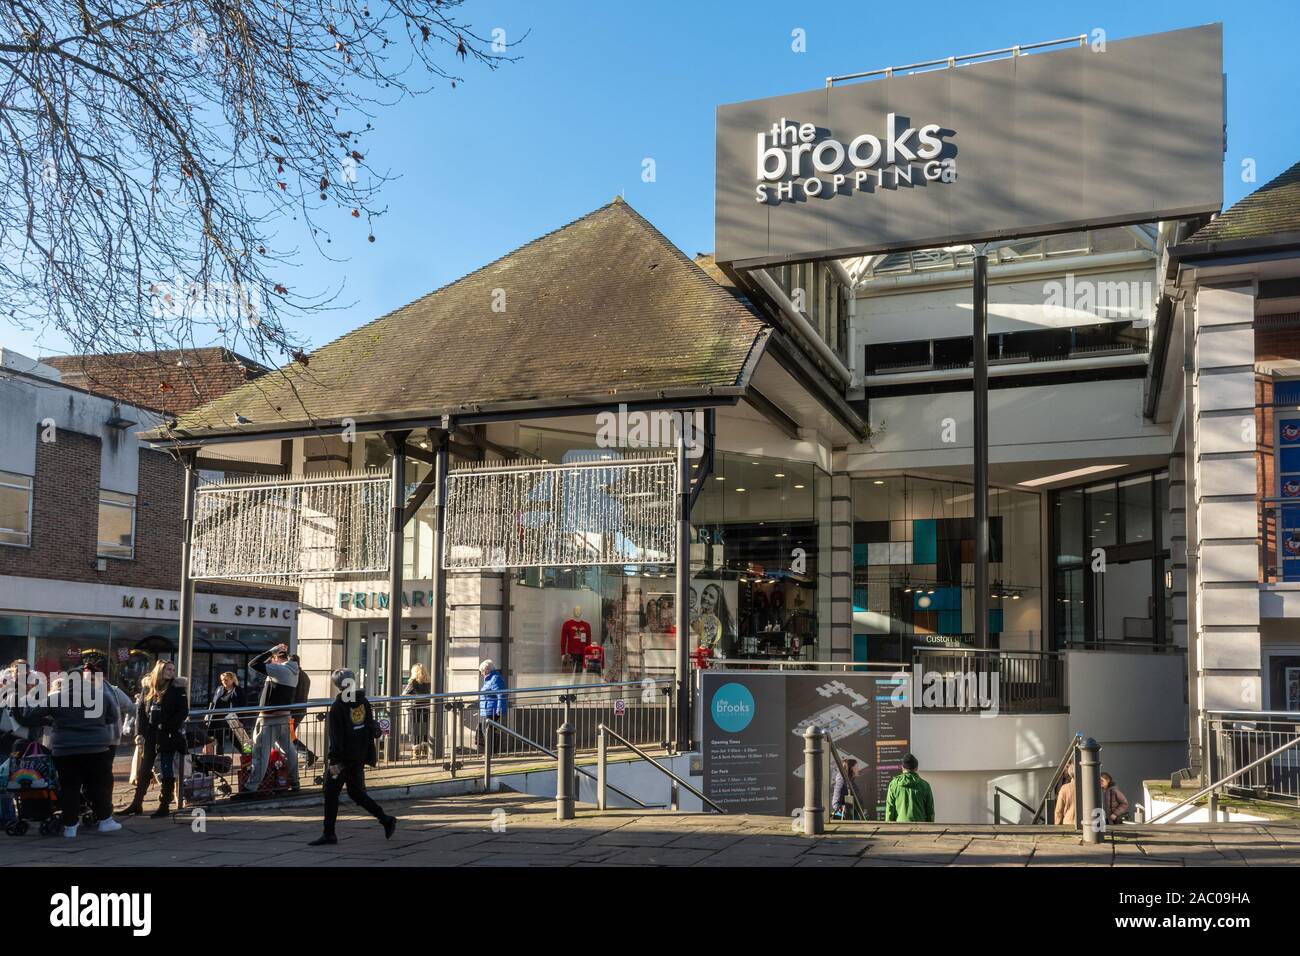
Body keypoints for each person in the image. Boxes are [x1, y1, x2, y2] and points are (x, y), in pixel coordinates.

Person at [16, 668, 121, 837]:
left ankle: (70, 827)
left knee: (69, 787)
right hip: (95, 748)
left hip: (64, 749)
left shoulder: (55, 698)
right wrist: (96, 723)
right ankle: (105, 821)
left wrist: (51, 721)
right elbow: (113, 718)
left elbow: (32, 716)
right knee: (97, 786)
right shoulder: (101, 696)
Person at [308, 669, 396, 846]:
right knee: (355, 792)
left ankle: (329, 833)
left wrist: (335, 761)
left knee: (331, 792)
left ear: (338, 685)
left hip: (341, 759)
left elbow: (337, 738)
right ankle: (385, 819)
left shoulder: (338, 707)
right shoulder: (362, 701)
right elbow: (369, 727)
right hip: (358, 755)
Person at [121, 659, 188, 818]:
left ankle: (164, 805)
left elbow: (183, 711)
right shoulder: (148, 687)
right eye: (168, 669)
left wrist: (168, 727)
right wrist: (139, 733)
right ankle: (137, 804)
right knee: (144, 769)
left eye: (173, 670)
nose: (171, 672)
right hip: (151, 734)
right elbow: (140, 711)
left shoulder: (178, 688)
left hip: (167, 734)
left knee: (166, 768)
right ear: (159, 670)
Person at [242, 643, 299, 793]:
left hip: (269, 718)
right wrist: (273, 655)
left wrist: (270, 651)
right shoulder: (293, 670)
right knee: (289, 751)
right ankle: (295, 782)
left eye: (272, 659)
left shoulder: (280, 670)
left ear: (275, 658)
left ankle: (250, 788)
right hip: (284, 716)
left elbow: (253, 664)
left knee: (260, 752)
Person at [885, 753, 935, 823]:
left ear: (902, 767)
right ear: (916, 768)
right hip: (920, 828)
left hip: (900, 828)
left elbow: (890, 809)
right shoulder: (925, 785)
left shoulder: (894, 784)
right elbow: (930, 811)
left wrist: (888, 829)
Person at [207, 671, 248, 755]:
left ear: (232, 680)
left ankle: (249, 756)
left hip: (233, 720)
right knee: (219, 741)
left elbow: (243, 706)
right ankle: (219, 764)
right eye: (222, 680)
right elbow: (213, 702)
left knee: (239, 741)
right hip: (218, 720)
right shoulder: (219, 689)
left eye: (226, 680)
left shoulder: (238, 690)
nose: (224, 682)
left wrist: (240, 720)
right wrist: (208, 714)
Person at [287, 655, 317, 768]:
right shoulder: (305, 676)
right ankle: (308, 755)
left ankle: (308, 755)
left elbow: (292, 695)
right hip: (300, 710)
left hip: (292, 712)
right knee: (289, 735)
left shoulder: (294, 675)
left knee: (289, 736)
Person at [474, 660, 506, 752]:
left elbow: (501, 694)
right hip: (487, 708)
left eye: (481, 672)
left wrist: (499, 709)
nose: (481, 674)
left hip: (492, 709)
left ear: (486, 670)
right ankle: (489, 752)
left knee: (487, 730)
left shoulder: (495, 678)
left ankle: (490, 752)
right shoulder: (489, 679)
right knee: (486, 730)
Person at [403, 662, 432, 758]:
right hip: (427, 708)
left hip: (415, 709)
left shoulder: (413, 682)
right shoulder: (429, 682)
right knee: (424, 728)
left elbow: (404, 694)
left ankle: (416, 751)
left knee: (415, 730)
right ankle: (424, 749)